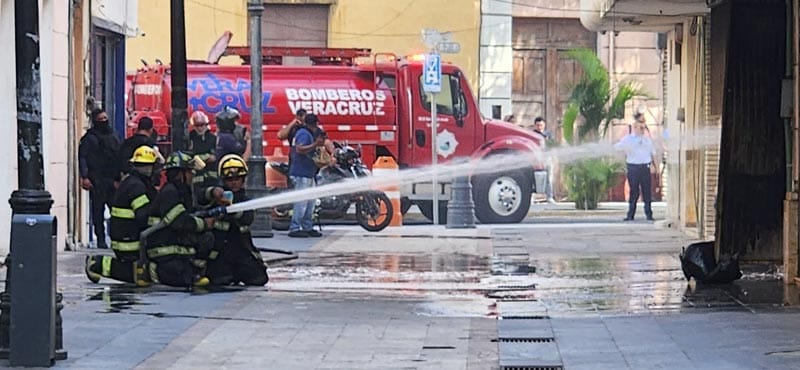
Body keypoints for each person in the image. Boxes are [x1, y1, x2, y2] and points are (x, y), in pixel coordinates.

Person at [85, 145, 159, 285]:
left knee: (143, 274)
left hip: (126, 237)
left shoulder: (134, 182)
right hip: (129, 242)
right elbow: (143, 216)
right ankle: (97, 263)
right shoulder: (136, 187)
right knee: (139, 275)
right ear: (149, 168)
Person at [145, 151, 214, 287]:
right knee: (182, 279)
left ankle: (195, 270)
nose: (192, 175)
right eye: (189, 172)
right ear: (179, 174)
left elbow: (188, 213)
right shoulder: (170, 192)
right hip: (164, 248)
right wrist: (204, 224)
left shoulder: (180, 191)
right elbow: (179, 221)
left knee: (208, 239)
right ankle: (152, 270)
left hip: (173, 244)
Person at [200, 154, 269, 286]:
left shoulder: (246, 202)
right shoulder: (216, 198)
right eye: (230, 179)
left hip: (241, 250)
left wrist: (232, 210)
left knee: (259, 279)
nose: (234, 182)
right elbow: (200, 197)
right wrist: (213, 192)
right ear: (223, 180)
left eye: (237, 179)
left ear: (243, 180)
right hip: (220, 252)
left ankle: (237, 273)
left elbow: (247, 218)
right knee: (221, 280)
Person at [79, 107, 121, 249]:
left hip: (111, 179)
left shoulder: (113, 136)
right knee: (98, 211)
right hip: (96, 179)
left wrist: (118, 178)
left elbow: (118, 157)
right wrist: (85, 176)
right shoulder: (89, 138)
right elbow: (83, 157)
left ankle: (116, 237)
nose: (104, 121)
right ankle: (101, 239)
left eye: (105, 118)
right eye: (101, 119)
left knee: (116, 211)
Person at [287, 114, 326, 238]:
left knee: (310, 202)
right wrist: (315, 144)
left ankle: (307, 226)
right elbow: (300, 149)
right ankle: (295, 228)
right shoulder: (303, 133)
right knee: (302, 201)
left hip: (308, 172)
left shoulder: (307, 133)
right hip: (301, 172)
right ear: (314, 124)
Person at [614, 113, 657, 221]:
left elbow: (652, 153)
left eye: (644, 125)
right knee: (634, 191)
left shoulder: (647, 140)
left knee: (647, 192)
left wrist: (654, 166)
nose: (643, 128)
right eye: (640, 125)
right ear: (635, 126)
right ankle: (630, 214)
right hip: (633, 168)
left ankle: (649, 214)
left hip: (645, 168)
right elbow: (617, 148)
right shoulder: (628, 139)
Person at [187, 111, 218, 201]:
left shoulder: (212, 138)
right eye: (197, 125)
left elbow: (214, 157)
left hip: (212, 178)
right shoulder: (190, 139)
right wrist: (206, 157)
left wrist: (200, 158)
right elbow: (190, 156)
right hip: (196, 178)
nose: (200, 128)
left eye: (202, 125)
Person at [532, 117, 556, 204]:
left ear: (544, 125)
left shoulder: (549, 134)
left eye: (541, 125)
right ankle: (532, 197)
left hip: (547, 158)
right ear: (534, 125)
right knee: (533, 178)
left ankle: (549, 197)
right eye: (537, 125)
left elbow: (552, 145)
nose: (539, 127)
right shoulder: (532, 134)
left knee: (549, 178)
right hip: (536, 159)